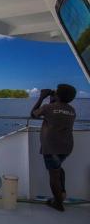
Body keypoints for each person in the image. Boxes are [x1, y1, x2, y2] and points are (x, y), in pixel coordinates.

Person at [31, 84, 76, 212]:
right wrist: (53, 99)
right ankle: (62, 193)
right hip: (66, 147)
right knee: (58, 169)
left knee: (54, 176)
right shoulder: (72, 110)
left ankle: (58, 203)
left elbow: (33, 114)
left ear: (57, 95)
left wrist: (41, 98)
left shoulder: (48, 108)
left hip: (51, 148)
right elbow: (58, 114)